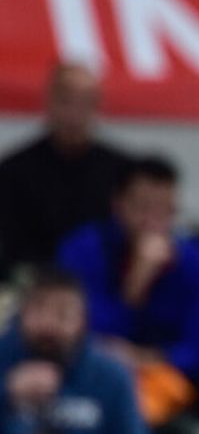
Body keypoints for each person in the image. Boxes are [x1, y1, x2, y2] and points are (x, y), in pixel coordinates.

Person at [57, 154, 199, 426]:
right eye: (144, 208)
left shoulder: (191, 259)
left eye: (166, 211)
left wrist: (147, 358)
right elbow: (81, 333)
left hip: (163, 383)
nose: (154, 221)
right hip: (88, 379)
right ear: (118, 205)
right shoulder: (83, 250)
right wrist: (136, 283)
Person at [1, 268, 149, 434]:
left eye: (62, 314)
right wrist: (6, 391)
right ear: (21, 313)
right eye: (39, 310)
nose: (49, 324)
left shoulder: (112, 375)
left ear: (82, 320)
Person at [0, 61, 129, 280]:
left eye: (85, 102)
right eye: (66, 100)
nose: (74, 112)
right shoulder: (13, 171)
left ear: (97, 106)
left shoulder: (122, 171)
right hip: (33, 285)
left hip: (102, 285)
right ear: (49, 101)